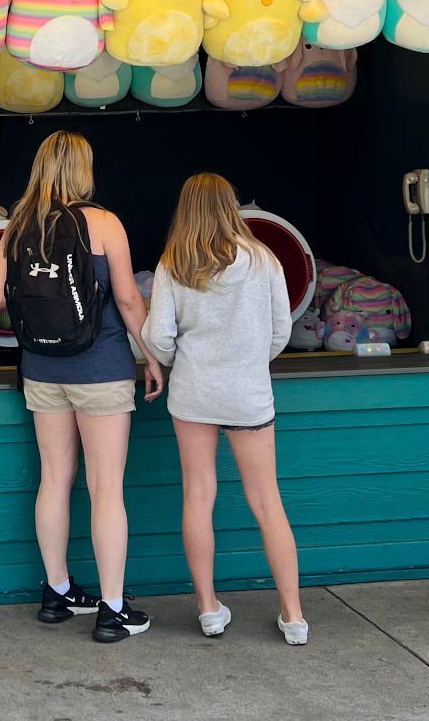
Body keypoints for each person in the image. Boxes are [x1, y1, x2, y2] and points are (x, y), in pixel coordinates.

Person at [0, 130, 163, 643]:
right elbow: (130, 301)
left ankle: (58, 592)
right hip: (101, 368)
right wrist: (150, 356)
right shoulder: (104, 223)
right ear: (83, 169)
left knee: (53, 479)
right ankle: (112, 610)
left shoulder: (17, 226)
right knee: (106, 487)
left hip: (42, 369)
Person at [140, 173, 305, 645]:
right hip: (249, 394)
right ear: (231, 206)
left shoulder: (174, 263)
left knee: (198, 496)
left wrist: (180, 361)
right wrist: (249, 362)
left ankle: (209, 609)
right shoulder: (264, 259)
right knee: (267, 501)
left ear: (186, 209)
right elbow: (281, 332)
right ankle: (293, 616)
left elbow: (159, 338)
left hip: (194, 393)